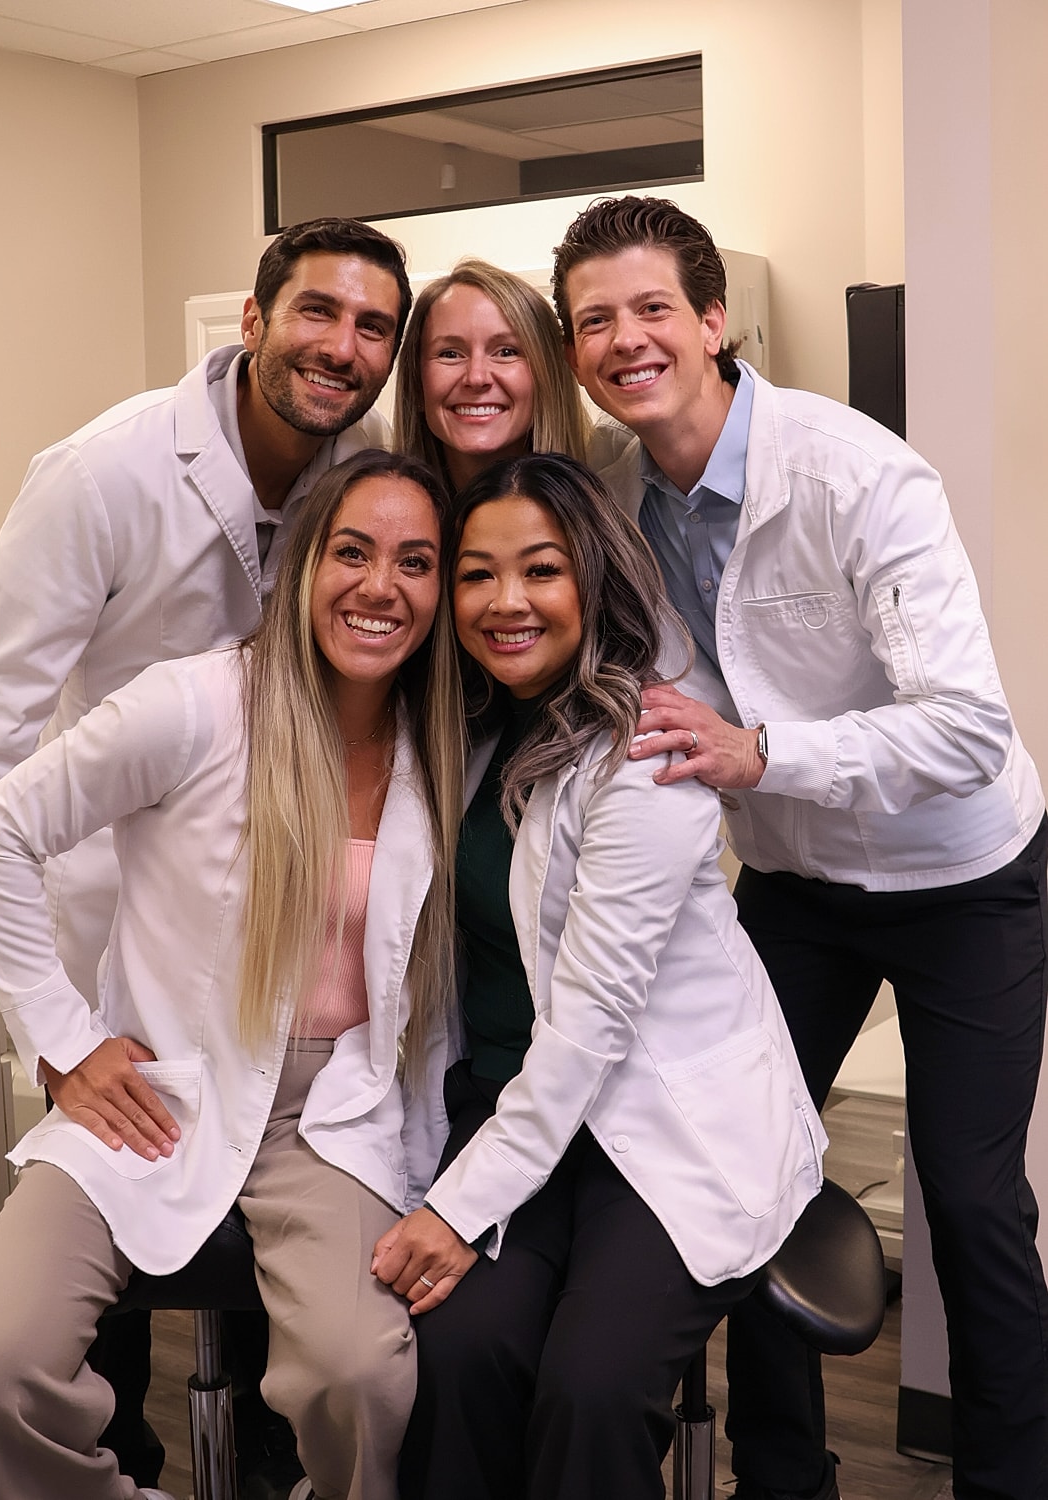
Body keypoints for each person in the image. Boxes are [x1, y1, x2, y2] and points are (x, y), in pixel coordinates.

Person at [551, 194, 1048, 1500]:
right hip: (793, 884)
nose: (626, 337)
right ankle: (784, 1478)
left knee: (974, 1203)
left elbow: (965, 733)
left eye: (653, 307)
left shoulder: (858, 475)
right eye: (593, 319)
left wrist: (759, 754)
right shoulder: (605, 498)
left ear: (714, 321)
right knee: (756, 1166)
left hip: (961, 878)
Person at [0, 214, 411, 1488]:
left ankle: (260, 1459)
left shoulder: (355, 476)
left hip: (312, 955)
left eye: (373, 329)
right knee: (92, 1322)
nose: (342, 346)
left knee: (299, 1349)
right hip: (122, 935)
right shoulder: (101, 475)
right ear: (252, 322)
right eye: (317, 312)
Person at [371, 452, 826, 1500]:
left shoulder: (647, 752)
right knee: (456, 1356)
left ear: (594, 576)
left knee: (591, 1387)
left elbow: (587, 1030)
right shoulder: (468, 734)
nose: (506, 602)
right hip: (522, 1118)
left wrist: (454, 1208)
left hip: (658, 1127)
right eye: (476, 575)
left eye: (540, 569)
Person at [392, 258, 591, 492]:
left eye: (506, 352)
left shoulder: (614, 499)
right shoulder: (379, 517)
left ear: (549, 376)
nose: (477, 378)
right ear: (416, 383)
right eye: (450, 354)